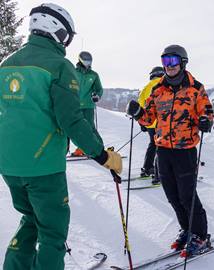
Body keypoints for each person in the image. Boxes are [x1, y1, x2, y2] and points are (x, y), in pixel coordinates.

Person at [0, 4, 123, 270]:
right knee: (52, 233)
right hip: (43, 167)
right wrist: (103, 156)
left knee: (30, 219)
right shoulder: (59, 66)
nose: (67, 42)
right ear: (57, 32)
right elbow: (71, 120)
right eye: (67, 36)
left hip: (9, 165)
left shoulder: (7, 63)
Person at [126, 45, 214, 257]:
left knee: (187, 195)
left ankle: (200, 235)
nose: (169, 66)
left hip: (185, 150)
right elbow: (149, 118)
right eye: (165, 61)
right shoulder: (158, 90)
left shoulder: (196, 88)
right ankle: (187, 229)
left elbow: (207, 112)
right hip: (163, 149)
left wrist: (205, 121)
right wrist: (138, 113)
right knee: (172, 195)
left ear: (182, 62)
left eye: (173, 61)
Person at [71, 51, 104, 156]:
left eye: (89, 61)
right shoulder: (73, 72)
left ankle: (100, 149)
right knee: (77, 128)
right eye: (86, 61)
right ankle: (82, 149)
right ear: (80, 60)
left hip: (88, 105)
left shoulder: (93, 75)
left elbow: (99, 89)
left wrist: (97, 96)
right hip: (74, 104)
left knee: (90, 128)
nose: (88, 63)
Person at [137, 66, 165, 180]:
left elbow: (140, 107)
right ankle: (158, 174)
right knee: (162, 146)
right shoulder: (164, 85)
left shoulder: (145, 88)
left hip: (149, 123)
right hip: (162, 122)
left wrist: (142, 123)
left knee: (153, 144)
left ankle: (147, 168)